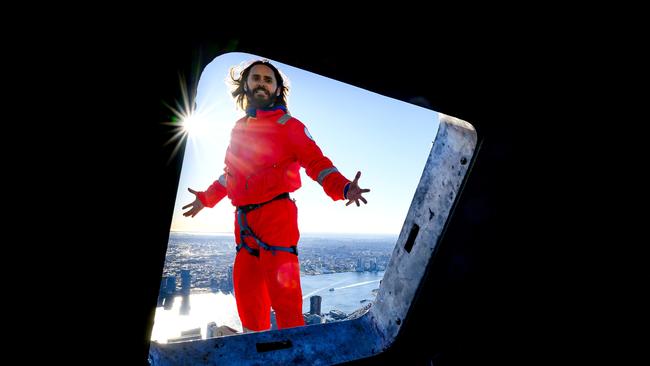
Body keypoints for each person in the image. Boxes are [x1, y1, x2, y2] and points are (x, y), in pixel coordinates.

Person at [182, 59, 370, 332]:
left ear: (277, 89)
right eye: (256, 78)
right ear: (246, 85)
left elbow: (316, 163)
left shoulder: (289, 126)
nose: (261, 83)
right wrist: (206, 198)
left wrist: (343, 187)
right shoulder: (238, 128)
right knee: (248, 303)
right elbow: (231, 174)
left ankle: (293, 356)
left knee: (287, 306)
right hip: (243, 225)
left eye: (268, 80)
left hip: (277, 219)